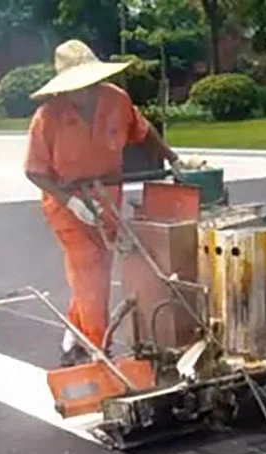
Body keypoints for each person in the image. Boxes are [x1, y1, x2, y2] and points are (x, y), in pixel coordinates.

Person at [24, 39, 182, 366]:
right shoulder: (47, 118)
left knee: (98, 270)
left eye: (92, 83)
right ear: (65, 89)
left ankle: (74, 335)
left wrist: (174, 159)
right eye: (80, 86)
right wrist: (71, 203)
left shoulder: (116, 100)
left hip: (108, 199)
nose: (88, 91)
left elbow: (143, 131)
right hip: (68, 206)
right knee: (88, 272)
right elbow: (34, 171)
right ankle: (99, 352)